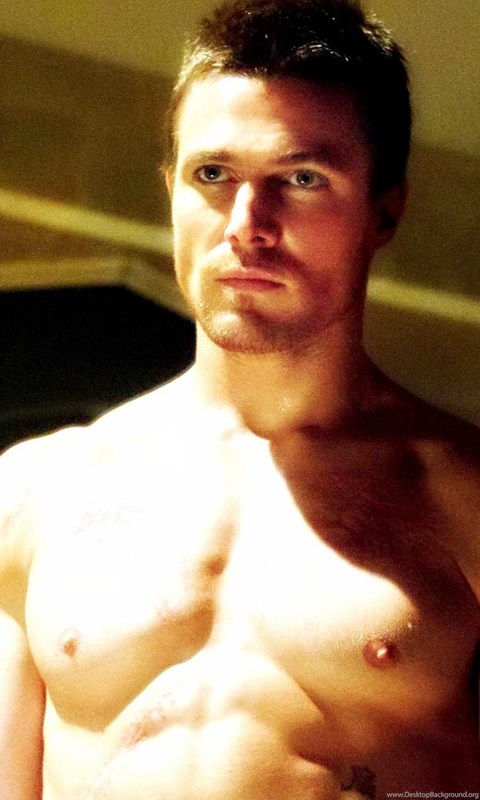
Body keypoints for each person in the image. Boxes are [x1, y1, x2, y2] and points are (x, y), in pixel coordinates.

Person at [1, 0, 479, 797]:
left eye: (301, 178)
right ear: (172, 190)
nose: (247, 224)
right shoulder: (33, 494)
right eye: (213, 175)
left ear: (384, 210)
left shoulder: (463, 496)